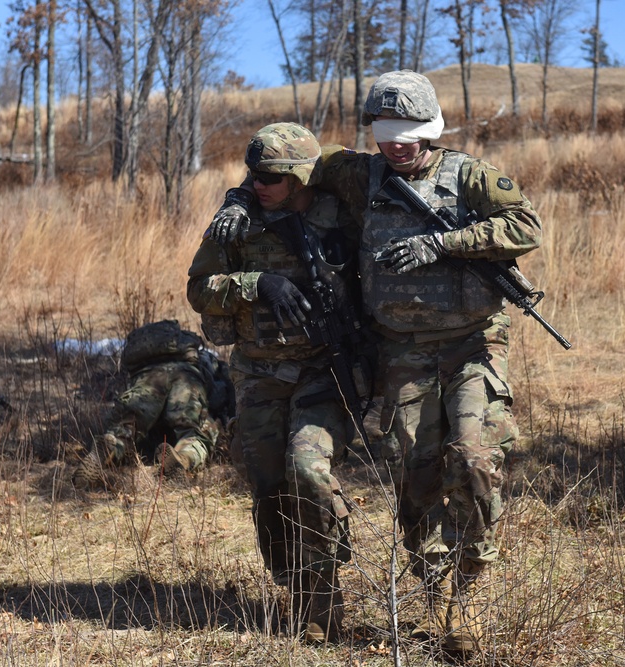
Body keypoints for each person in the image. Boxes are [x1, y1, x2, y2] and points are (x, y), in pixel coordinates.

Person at [209, 70, 543, 656]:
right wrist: (237, 198)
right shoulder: (358, 174)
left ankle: (468, 599)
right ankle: (435, 592)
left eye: (410, 132)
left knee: (474, 458)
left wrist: (444, 243)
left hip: (471, 344)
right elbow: (283, 168)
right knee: (414, 483)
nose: (397, 144)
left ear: (433, 128)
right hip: (399, 351)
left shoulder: (469, 176)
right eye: (386, 132)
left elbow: (526, 226)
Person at [188, 122, 366, 644]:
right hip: (260, 373)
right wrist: (258, 284)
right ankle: (293, 587)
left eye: (271, 176)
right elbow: (199, 289)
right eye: (252, 175)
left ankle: (323, 599)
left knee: (307, 469)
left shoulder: (339, 212)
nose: (258, 183)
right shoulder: (236, 225)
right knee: (268, 487)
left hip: (321, 371)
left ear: (300, 177)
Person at [71, 320, 232, 488]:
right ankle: (183, 458)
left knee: (126, 428)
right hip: (186, 382)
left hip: (147, 379)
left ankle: (108, 446)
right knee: (195, 433)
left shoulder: (145, 363)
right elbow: (223, 395)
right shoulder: (208, 362)